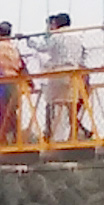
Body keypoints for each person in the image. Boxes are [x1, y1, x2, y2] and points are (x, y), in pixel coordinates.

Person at [37, 12, 89, 141]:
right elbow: (83, 56)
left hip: (59, 72)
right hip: (74, 73)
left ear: (57, 23)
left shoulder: (57, 36)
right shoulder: (77, 36)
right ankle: (76, 133)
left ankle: (52, 136)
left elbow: (43, 48)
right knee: (71, 104)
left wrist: (29, 42)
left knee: (52, 103)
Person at [0, 23, 27, 145]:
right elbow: (21, 65)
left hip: (0, 82)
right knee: (11, 113)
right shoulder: (14, 48)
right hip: (14, 81)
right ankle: (17, 139)